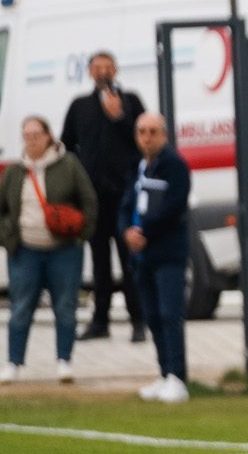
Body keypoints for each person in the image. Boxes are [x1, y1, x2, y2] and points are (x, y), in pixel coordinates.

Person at [0, 116, 96, 383]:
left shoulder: (68, 165)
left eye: (35, 135)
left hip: (64, 251)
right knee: (20, 307)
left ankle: (64, 360)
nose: (30, 141)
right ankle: (13, 362)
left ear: (48, 136)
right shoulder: (15, 171)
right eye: (26, 136)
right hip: (25, 251)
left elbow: (89, 199)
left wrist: (82, 234)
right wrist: (7, 237)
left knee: (65, 306)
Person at [60, 51, 146, 342]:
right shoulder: (80, 106)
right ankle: (100, 321)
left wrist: (119, 116)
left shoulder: (131, 101)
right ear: (89, 73)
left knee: (129, 261)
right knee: (99, 263)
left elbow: (141, 140)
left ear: (116, 69)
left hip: (124, 196)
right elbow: (67, 145)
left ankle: (138, 320)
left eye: (108, 67)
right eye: (97, 68)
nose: (103, 73)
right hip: (94, 199)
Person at [120, 113, 192, 403]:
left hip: (168, 252)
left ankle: (178, 376)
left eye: (152, 132)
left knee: (169, 314)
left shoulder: (174, 166)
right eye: (141, 132)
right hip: (143, 255)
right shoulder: (138, 167)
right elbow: (125, 204)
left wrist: (144, 231)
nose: (146, 137)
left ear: (163, 134)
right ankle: (164, 373)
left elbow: (174, 206)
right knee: (151, 315)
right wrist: (126, 231)